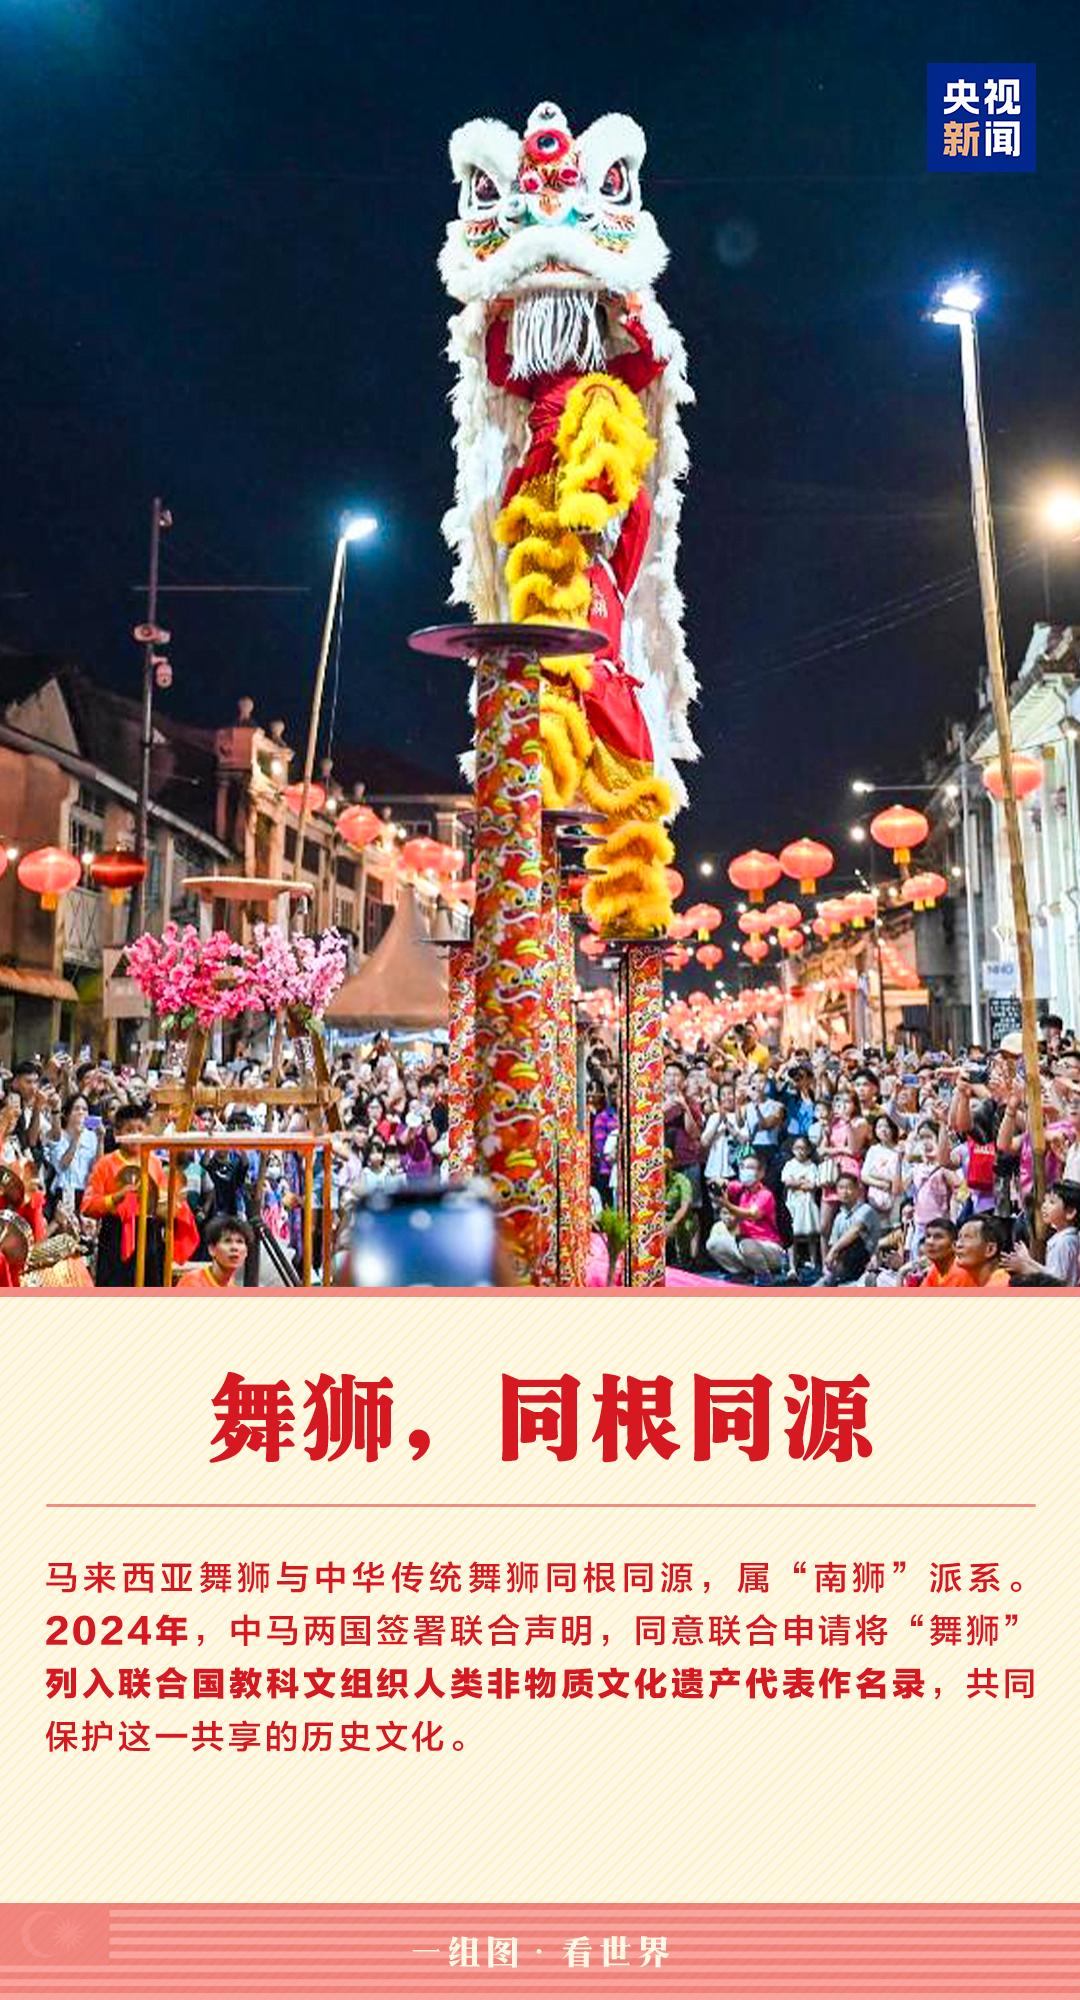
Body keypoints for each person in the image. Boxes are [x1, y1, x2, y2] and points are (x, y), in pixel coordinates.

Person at [81, 1103, 167, 1287]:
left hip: (149, 1233)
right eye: (129, 1130)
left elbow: (163, 1201)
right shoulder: (105, 1164)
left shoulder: (155, 1163)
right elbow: (88, 1206)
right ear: (117, 1133)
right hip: (115, 1234)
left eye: (140, 1130)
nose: (135, 1135)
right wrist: (115, 1198)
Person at [706, 1155, 784, 1281]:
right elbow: (720, 1183)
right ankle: (741, 1273)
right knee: (714, 1241)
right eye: (742, 1167)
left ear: (761, 1173)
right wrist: (716, 1183)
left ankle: (764, 1275)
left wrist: (727, 1205)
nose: (745, 1171)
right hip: (745, 1244)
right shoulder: (741, 1189)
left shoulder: (765, 1194)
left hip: (769, 1248)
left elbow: (752, 1214)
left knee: (746, 1244)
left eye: (750, 1168)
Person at [1003, 1181, 1080, 1286]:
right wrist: (1028, 1260)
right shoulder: (1064, 1238)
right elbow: (1050, 1272)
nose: (1044, 1206)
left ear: (1070, 1212)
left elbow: (1055, 1283)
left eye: (1052, 1202)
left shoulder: (1064, 1242)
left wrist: (1025, 1268)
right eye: (1045, 1201)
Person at [819, 1171, 882, 1287]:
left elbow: (855, 1231)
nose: (845, 1192)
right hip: (845, 1268)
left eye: (849, 1188)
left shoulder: (866, 1210)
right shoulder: (839, 1217)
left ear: (858, 1190)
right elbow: (834, 1243)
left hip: (867, 1264)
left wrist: (833, 1251)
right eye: (841, 1188)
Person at [176, 1214, 254, 1290]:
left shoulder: (233, 1286)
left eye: (240, 1242)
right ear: (212, 1249)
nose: (234, 1247)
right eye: (227, 1241)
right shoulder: (192, 1282)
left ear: (246, 1252)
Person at [780, 1135, 821, 1274]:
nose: (800, 1151)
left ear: (808, 1150)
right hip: (793, 1204)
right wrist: (802, 1182)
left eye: (803, 1148)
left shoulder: (812, 1166)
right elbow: (787, 1182)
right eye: (797, 1148)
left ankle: (813, 1262)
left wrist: (796, 1182)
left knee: (811, 1236)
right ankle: (792, 1266)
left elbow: (813, 1185)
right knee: (792, 1236)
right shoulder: (789, 1165)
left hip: (808, 1205)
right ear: (792, 1150)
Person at [952, 1216, 1011, 1289]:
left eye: (968, 1237)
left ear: (990, 1250)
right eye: (959, 1238)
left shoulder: (1000, 1286)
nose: (958, 1245)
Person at [918, 1217, 965, 1287]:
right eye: (928, 1236)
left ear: (954, 1245)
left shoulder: (962, 1273)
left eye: (938, 1237)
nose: (930, 1242)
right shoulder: (935, 1270)